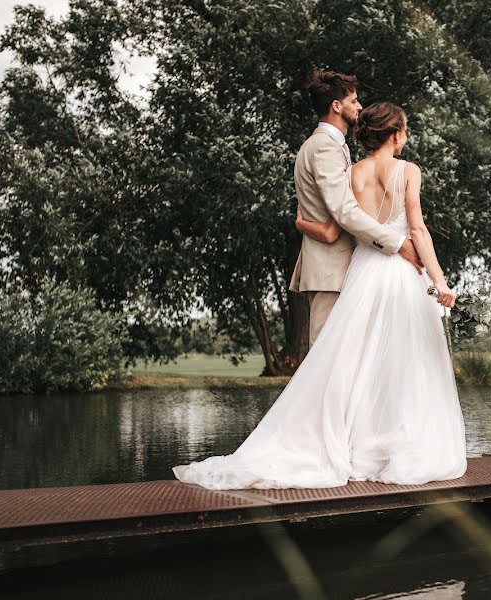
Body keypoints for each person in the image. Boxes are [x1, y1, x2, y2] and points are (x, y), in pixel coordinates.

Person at [172, 99, 467, 489]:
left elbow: (338, 225)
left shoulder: (352, 173)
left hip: (362, 272)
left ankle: (352, 444)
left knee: (354, 361)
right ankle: (395, 444)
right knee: (403, 362)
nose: (406, 136)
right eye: (405, 129)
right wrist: (440, 280)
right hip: (401, 274)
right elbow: (418, 231)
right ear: (395, 134)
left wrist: (302, 221)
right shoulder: (408, 170)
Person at [287, 69, 424, 346]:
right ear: (336, 106)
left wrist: (303, 224)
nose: (360, 107)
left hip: (339, 269)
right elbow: (345, 211)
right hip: (330, 271)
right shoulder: (324, 147)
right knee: (326, 361)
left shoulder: (332, 146)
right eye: (354, 101)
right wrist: (398, 243)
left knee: (342, 362)